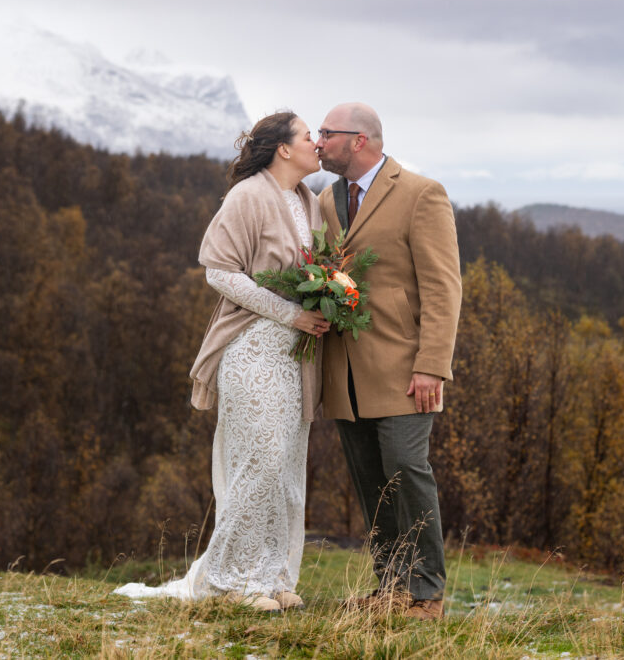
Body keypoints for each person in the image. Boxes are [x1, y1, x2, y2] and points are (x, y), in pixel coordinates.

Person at [114, 112, 329, 612]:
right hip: (253, 349)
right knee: (259, 462)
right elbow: (219, 272)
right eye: (307, 137)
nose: (316, 143)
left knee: (286, 468)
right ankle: (234, 582)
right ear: (282, 149)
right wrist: (289, 313)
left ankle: (274, 577)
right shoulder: (247, 195)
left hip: (297, 359)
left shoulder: (306, 202)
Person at [315, 103, 461, 621]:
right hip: (346, 369)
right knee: (370, 479)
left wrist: (432, 365)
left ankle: (426, 595)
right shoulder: (326, 199)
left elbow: (444, 287)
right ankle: (392, 588)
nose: (319, 142)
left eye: (327, 133)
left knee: (405, 469)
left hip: (405, 368)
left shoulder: (422, 194)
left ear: (359, 140)